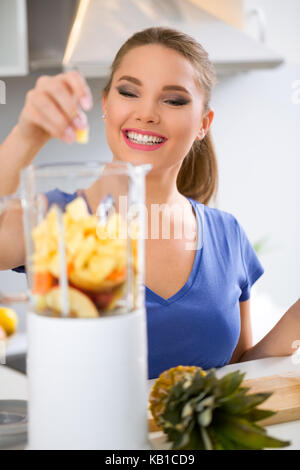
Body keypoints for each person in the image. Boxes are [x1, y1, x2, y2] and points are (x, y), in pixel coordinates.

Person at [0, 27, 299, 379]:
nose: (147, 113)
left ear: (204, 123)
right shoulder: (52, 221)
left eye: (173, 100)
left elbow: (234, 375)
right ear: (106, 104)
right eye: (129, 92)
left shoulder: (226, 233)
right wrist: (27, 134)